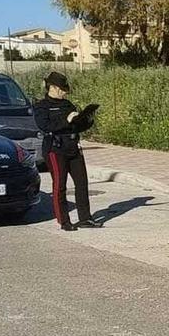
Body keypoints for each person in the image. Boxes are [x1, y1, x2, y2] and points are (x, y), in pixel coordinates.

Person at [33, 71, 101, 231]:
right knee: (60, 185)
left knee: (82, 183)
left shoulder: (68, 104)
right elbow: (46, 126)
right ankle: (64, 221)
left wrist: (86, 120)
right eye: (63, 89)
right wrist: (67, 120)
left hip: (73, 146)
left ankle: (85, 218)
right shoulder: (42, 106)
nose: (65, 92)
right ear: (54, 88)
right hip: (55, 149)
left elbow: (76, 125)